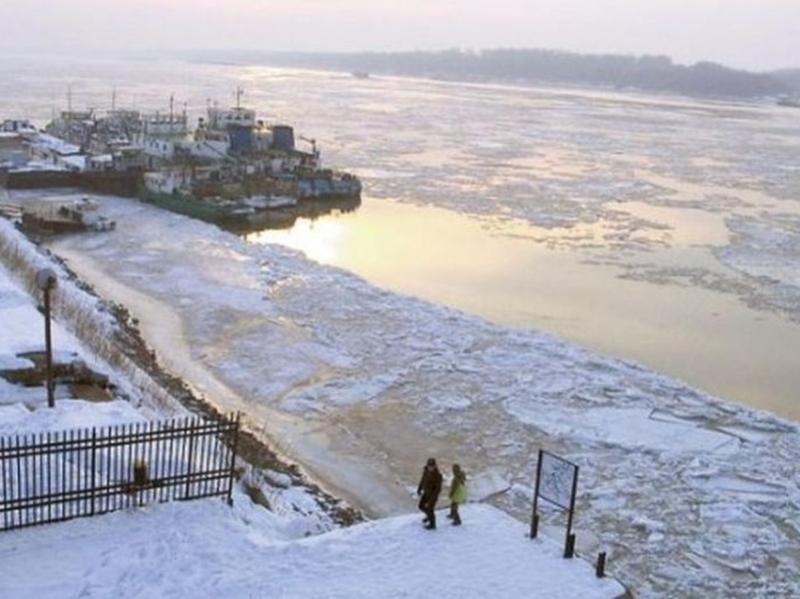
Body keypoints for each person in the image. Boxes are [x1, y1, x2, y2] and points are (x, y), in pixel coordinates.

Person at [417, 457, 443, 530]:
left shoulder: (438, 476)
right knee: (421, 506)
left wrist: (431, 501)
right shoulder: (425, 471)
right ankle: (428, 516)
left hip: (433, 495)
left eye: (432, 466)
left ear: (435, 466)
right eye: (429, 466)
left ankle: (432, 524)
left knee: (430, 509)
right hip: (426, 493)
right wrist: (419, 488)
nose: (430, 468)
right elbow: (422, 480)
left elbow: (437, 490)